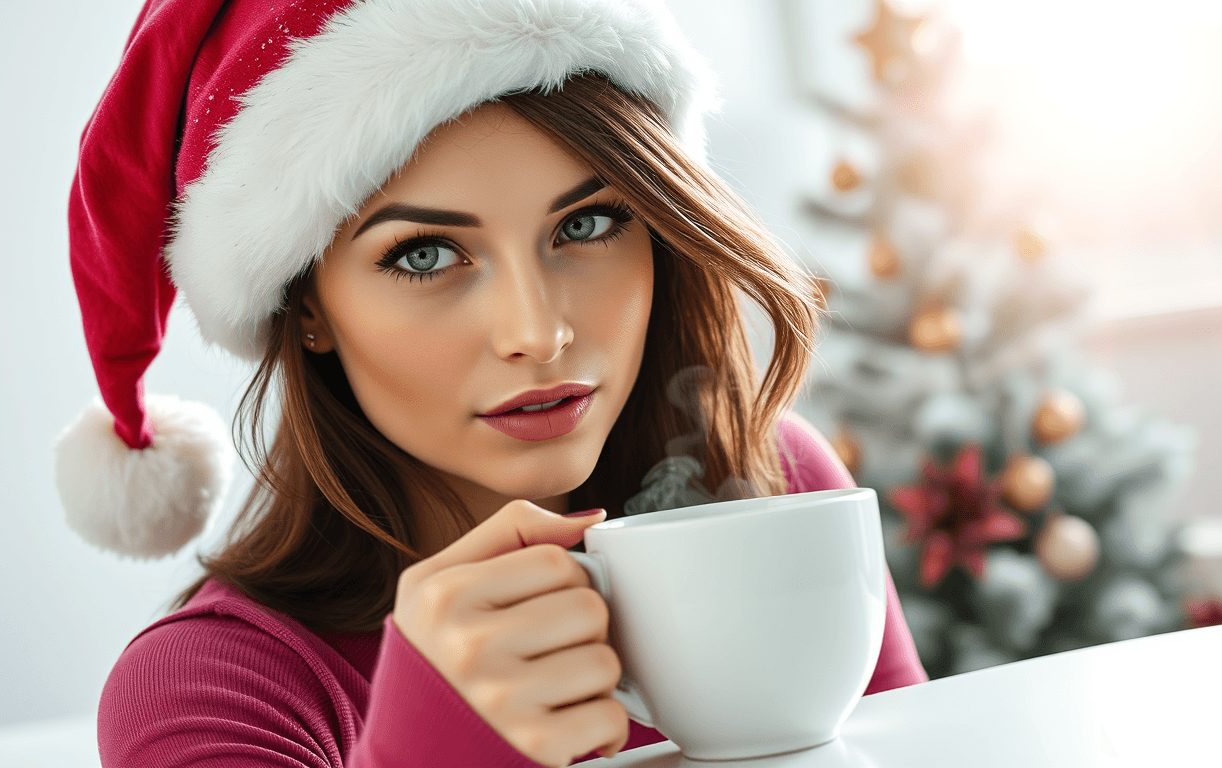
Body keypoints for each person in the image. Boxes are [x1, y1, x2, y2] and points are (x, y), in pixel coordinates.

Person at [56, 0, 928, 766]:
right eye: (425, 255)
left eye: (588, 223)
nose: (537, 333)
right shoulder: (210, 695)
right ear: (307, 307)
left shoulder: (775, 483)